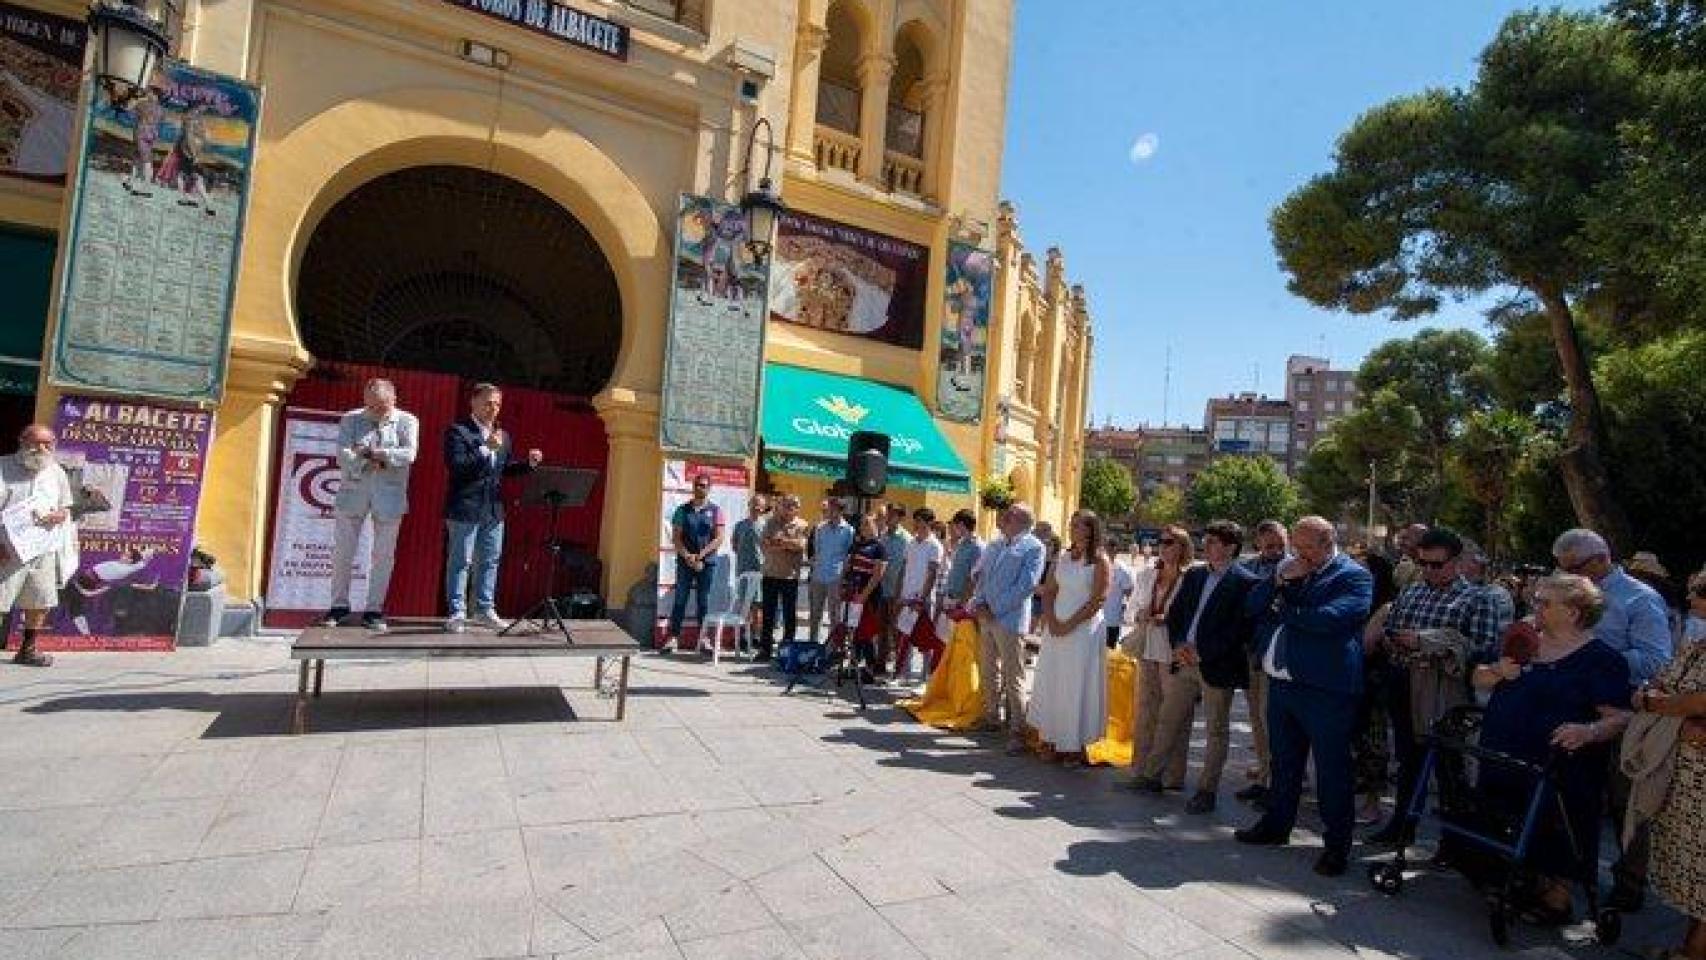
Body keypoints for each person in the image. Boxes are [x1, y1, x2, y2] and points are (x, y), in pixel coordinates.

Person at [1471, 574, 1632, 924]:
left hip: (1559, 766)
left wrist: (1588, 731)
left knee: (1556, 825)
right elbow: (1478, 677)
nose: (1535, 608)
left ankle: (1554, 897)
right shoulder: (1523, 640)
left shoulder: (1601, 659)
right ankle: (1507, 880)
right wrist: (1498, 671)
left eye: (1544, 603)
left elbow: (1620, 717)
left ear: (1573, 613)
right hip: (1504, 754)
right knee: (1499, 813)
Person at [1236, 517, 1374, 878]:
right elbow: (1252, 605)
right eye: (1296, 546)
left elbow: (1333, 619)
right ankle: (1276, 825)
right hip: (1283, 684)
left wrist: (1287, 611)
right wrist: (1280, 581)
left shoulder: (1353, 575)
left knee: (1331, 770)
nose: (1300, 554)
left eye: (1308, 547)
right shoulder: (1289, 568)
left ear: (1329, 543)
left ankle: (1336, 846)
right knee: (1284, 762)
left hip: (1327, 689)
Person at [1551, 528, 1673, 910]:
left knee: (1625, 802)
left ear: (1601, 560)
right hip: (1575, 708)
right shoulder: (1572, 592)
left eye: (1574, 568)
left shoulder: (1640, 599)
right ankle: (1567, 869)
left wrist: (1594, 657)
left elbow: (1657, 661)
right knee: (1572, 792)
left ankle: (1630, 881)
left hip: (1624, 713)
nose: (1568, 576)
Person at [1367, 527, 1511, 845]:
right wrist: (1399, 643)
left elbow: (1483, 650)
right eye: (1424, 564)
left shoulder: (1479, 598)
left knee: (1449, 766)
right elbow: (1391, 630)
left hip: (1447, 690)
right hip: (1404, 681)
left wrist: (1430, 643)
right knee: (1409, 759)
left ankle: (1453, 843)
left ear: (1457, 561)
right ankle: (1402, 826)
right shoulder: (1413, 591)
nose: (1429, 571)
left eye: (1437, 564)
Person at [1133, 520, 1258, 813]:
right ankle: (1152, 776)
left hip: (1216, 666)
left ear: (1230, 547)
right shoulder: (1197, 576)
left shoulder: (1245, 582)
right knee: (1168, 718)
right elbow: (1177, 614)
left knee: (1216, 729)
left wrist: (1203, 654)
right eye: (1208, 540)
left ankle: (1207, 790)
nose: (1208, 546)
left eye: (1215, 542)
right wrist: (1179, 645)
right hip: (1184, 660)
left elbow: (1239, 630)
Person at [1631, 580, 1706, 960]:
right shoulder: (1696, 643)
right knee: (1693, 873)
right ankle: (1689, 947)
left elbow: (1698, 699)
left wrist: (1658, 705)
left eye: (1701, 591)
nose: (1691, 597)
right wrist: (1653, 697)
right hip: (1685, 778)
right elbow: (1663, 680)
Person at [442, 384, 542, 633]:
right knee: (461, 561)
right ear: (473, 403)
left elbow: (504, 469)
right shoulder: (458, 432)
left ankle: (484, 610)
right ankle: (457, 613)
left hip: (493, 509)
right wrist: (486, 448)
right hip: (465, 507)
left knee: (490, 561)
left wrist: (528, 465)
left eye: (497, 404)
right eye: (488, 403)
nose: (493, 409)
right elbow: (458, 466)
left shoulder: (503, 435)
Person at [322, 378, 419, 632]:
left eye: (381, 406)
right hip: (353, 492)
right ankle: (338, 606)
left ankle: (374, 609)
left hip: (389, 496)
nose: (375, 412)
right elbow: (343, 456)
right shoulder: (351, 419)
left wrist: (375, 454)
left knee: (383, 556)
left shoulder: (407, 421)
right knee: (343, 551)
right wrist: (366, 461)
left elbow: (409, 454)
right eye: (371, 406)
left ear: (394, 399)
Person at [1028, 510, 1112, 766]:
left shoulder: (1099, 561)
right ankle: (1052, 739)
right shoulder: (1062, 557)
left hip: (1083, 631)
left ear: (1090, 529)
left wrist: (1069, 625)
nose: (1071, 528)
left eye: (1077, 525)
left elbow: (1098, 600)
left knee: (1077, 685)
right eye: (1071, 524)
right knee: (1053, 680)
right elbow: (1050, 590)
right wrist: (1052, 621)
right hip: (1056, 628)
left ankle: (1074, 746)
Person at [1120, 524, 1194, 791]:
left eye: (1170, 542)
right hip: (1147, 648)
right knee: (1146, 711)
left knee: (1175, 715)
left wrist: (1169, 619)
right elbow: (1130, 611)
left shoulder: (1191, 578)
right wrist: (1141, 615)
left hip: (1174, 652)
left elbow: (1192, 616)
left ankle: (1173, 775)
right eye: (1161, 542)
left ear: (1183, 547)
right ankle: (1141, 770)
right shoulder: (1147, 575)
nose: (1163, 546)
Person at [970, 502, 1046, 740]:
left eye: (1010, 513)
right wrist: (979, 603)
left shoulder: (1034, 547)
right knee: (988, 669)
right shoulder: (997, 543)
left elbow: (1027, 585)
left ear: (1020, 519)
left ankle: (1018, 729)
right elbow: (983, 576)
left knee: (1014, 676)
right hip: (987, 616)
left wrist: (996, 608)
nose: (1004, 516)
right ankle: (992, 717)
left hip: (1010, 620)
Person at [0, 426, 74, 667]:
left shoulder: (57, 472)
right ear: (22, 441)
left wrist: (61, 515)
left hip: (43, 548)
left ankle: (27, 650)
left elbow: (65, 507)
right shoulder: (3, 467)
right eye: (36, 443)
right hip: (6, 549)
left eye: (47, 444)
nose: (41, 449)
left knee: (40, 600)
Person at [1237, 520, 1289, 805]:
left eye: (1281, 544)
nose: (1277, 551)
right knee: (1256, 717)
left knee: (1274, 720)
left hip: (1277, 654)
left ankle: (1277, 782)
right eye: (1270, 545)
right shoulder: (1249, 567)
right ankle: (1264, 773)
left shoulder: (1294, 568)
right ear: (1258, 543)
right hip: (1251, 651)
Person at [662, 473, 726, 651]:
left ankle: (704, 639)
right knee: (680, 599)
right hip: (685, 562)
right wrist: (687, 556)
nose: (700, 488)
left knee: (703, 601)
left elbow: (719, 538)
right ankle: (673, 637)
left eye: (704, 485)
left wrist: (701, 555)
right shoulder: (682, 510)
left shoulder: (716, 511)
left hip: (707, 563)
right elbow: (676, 538)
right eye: (698, 484)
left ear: (709, 488)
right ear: (693, 486)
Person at [756, 494, 809, 662]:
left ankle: (787, 650)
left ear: (797, 509)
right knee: (768, 615)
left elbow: (800, 546)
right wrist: (788, 544)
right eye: (787, 505)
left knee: (789, 616)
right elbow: (764, 543)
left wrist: (780, 542)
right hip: (770, 573)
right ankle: (765, 650)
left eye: (793, 505)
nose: (789, 508)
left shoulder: (802, 525)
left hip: (790, 576)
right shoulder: (771, 522)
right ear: (781, 506)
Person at [893, 508, 944, 679]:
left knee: (924, 638)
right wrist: (899, 593)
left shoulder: (935, 545)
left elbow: (932, 573)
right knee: (904, 635)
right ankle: (903, 674)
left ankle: (925, 676)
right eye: (915, 520)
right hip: (906, 597)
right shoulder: (911, 543)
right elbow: (903, 569)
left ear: (928, 523)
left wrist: (922, 598)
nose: (915, 524)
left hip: (923, 600)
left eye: (919, 520)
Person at [840, 513, 889, 677]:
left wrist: (864, 595)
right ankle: (853, 665)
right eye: (862, 524)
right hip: (853, 592)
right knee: (853, 630)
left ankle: (870, 667)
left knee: (866, 632)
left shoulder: (879, 548)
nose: (864, 527)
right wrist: (843, 584)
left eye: (868, 524)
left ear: (875, 526)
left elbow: (877, 575)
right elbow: (848, 567)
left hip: (869, 595)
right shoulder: (856, 545)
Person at [806, 499, 853, 644]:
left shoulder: (849, 530)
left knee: (835, 615)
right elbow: (815, 550)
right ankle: (813, 644)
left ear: (841, 511)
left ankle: (833, 647)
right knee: (815, 613)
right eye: (829, 509)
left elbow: (849, 555)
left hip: (836, 577)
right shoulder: (820, 528)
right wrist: (813, 564)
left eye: (834, 510)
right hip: (818, 576)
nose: (830, 512)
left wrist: (844, 577)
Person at [877, 503, 913, 674]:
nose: (888, 519)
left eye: (892, 515)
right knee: (881, 629)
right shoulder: (882, 536)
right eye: (887, 515)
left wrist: (901, 592)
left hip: (897, 591)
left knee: (897, 631)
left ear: (900, 518)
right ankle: (880, 664)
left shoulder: (907, 539)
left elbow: (907, 568)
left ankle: (899, 667)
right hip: (882, 589)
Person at [732, 495, 770, 638]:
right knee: (744, 603)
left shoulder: (767, 526)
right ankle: (745, 636)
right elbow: (735, 545)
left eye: (759, 505)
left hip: (760, 570)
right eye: (754, 504)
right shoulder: (740, 525)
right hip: (743, 569)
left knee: (757, 605)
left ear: (764, 508)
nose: (756, 507)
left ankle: (756, 636)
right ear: (749, 505)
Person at [942, 509, 983, 607]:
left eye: (955, 524)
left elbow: (974, 578)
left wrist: (963, 602)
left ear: (961, 524)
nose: (953, 528)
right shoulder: (961, 543)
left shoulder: (977, 547)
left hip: (962, 601)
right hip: (950, 597)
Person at [1103, 549, 1136, 650]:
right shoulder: (1095, 566)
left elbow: (1130, 592)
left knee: (1109, 654)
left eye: (1111, 548)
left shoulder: (1122, 569)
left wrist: (1129, 613)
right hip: (1094, 620)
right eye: (1106, 549)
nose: (1108, 552)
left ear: (1115, 551)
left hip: (1112, 620)